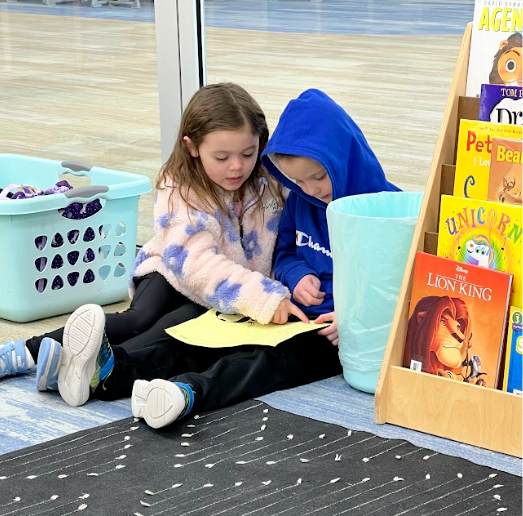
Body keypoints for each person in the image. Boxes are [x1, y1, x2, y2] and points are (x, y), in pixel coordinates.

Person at [51, 87, 400, 430]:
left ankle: (187, 392)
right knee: (196, 339)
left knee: (259, 364)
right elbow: (287, 253)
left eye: (319, 177)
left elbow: (395, 280)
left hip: (331, 333)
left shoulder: (388, 212)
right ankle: (110, 372)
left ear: (343, 160)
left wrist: (355, 317)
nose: (310, 190)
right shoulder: (299, 198)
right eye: (298, 180)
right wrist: (296, 276)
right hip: (281, 307)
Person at [0, 83, 301, 395]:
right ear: (192, 147)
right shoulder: (179, 185)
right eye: (222, 157)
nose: (236, 166)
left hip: (222, 291)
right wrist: (263, 296)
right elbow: (194, 262)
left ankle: (80, 366)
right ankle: (27, 351)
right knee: (139, 319)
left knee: (173, 329)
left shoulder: (272, 182)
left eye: (248, 153)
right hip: (173, 270)